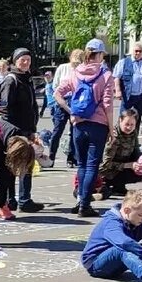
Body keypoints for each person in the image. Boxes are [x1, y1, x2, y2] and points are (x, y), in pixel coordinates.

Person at [55, 38, 114, 217]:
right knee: (92, 165)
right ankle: (85, 205)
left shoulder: (75, 73)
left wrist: (70, 109)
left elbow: (57, 92)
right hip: (98, 124)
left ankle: (80, 199)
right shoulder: (105, 75)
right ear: (100, 54)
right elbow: (108, 104)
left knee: (81, 165)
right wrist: (111, 129)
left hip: (78, 125)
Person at [80, 190, 142, 282]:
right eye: (141, 215)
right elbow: (124, 243)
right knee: (121, 249)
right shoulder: (111, 223)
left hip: (119, 263)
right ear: (127, 211)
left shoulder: (138, 222)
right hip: (97, 265)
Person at [3, 48, 43, 212]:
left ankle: (22, 199)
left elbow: (31, 107)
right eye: (22, 60)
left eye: (28, 59)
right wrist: (19, 132)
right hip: (15, 131)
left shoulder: (26, 79)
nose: (26, 62)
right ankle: (14, 199)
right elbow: (5, 108)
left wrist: (32, 130)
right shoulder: (11, 80)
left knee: (26, 164)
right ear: (15, 61)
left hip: (27, 129)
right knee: (15, 164)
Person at [46, 48, 83, 166]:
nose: (76, 64)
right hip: (61, 100)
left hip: (75, 100)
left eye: (78, 62)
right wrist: (60, 98)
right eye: (74, 62)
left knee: (74, 131)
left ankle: (71, 158)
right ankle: (51, 157)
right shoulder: (63, 68)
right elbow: (55, 85)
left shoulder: (82, 71)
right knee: (57, 130)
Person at [95, 107, 142, 199]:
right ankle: (106, 184)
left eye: (132, 125)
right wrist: (128, 165)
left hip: (121, 163)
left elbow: (136, 150)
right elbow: (105, 165)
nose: (129, 127)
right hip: (105, 170)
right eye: (127, 124)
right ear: (120, 120)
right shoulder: (114, 137)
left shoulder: (133, 133)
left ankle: (119, 187)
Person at [113, 41, 142, 129]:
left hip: (141, 97)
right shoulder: (123, 62)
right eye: (136, 51)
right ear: (132, 51)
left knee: (136, 120)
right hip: (128, 96)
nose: (138, 53)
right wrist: (118, 91)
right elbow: (116, 77)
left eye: (140, 51)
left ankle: (134, 141)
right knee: (124, 119)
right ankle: (120, 141)